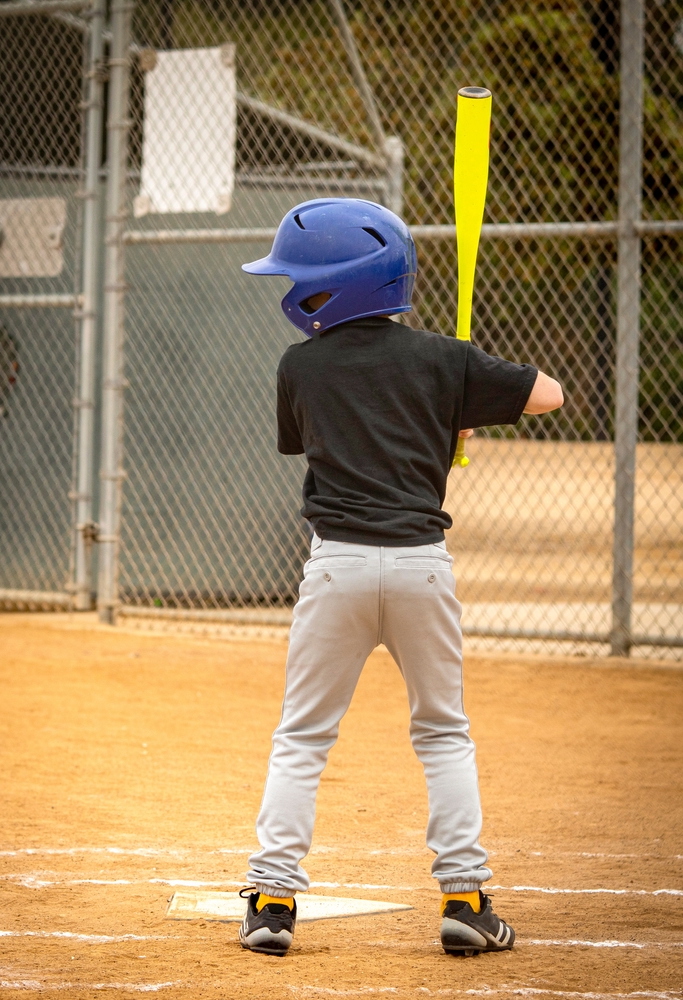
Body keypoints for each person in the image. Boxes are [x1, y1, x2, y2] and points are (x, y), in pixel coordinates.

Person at [236, 198, 564, 958]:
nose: (293, 290)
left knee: (303, 737)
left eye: (303, 278)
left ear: (340, 285)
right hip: (420, 569)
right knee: (443, 733)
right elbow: (546, 393)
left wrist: (443, 409)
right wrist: (456, 398)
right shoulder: (443, 358)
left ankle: (272, 899)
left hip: (336, 568)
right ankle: (465, 899)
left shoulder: (299, 365)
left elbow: (322, 438)